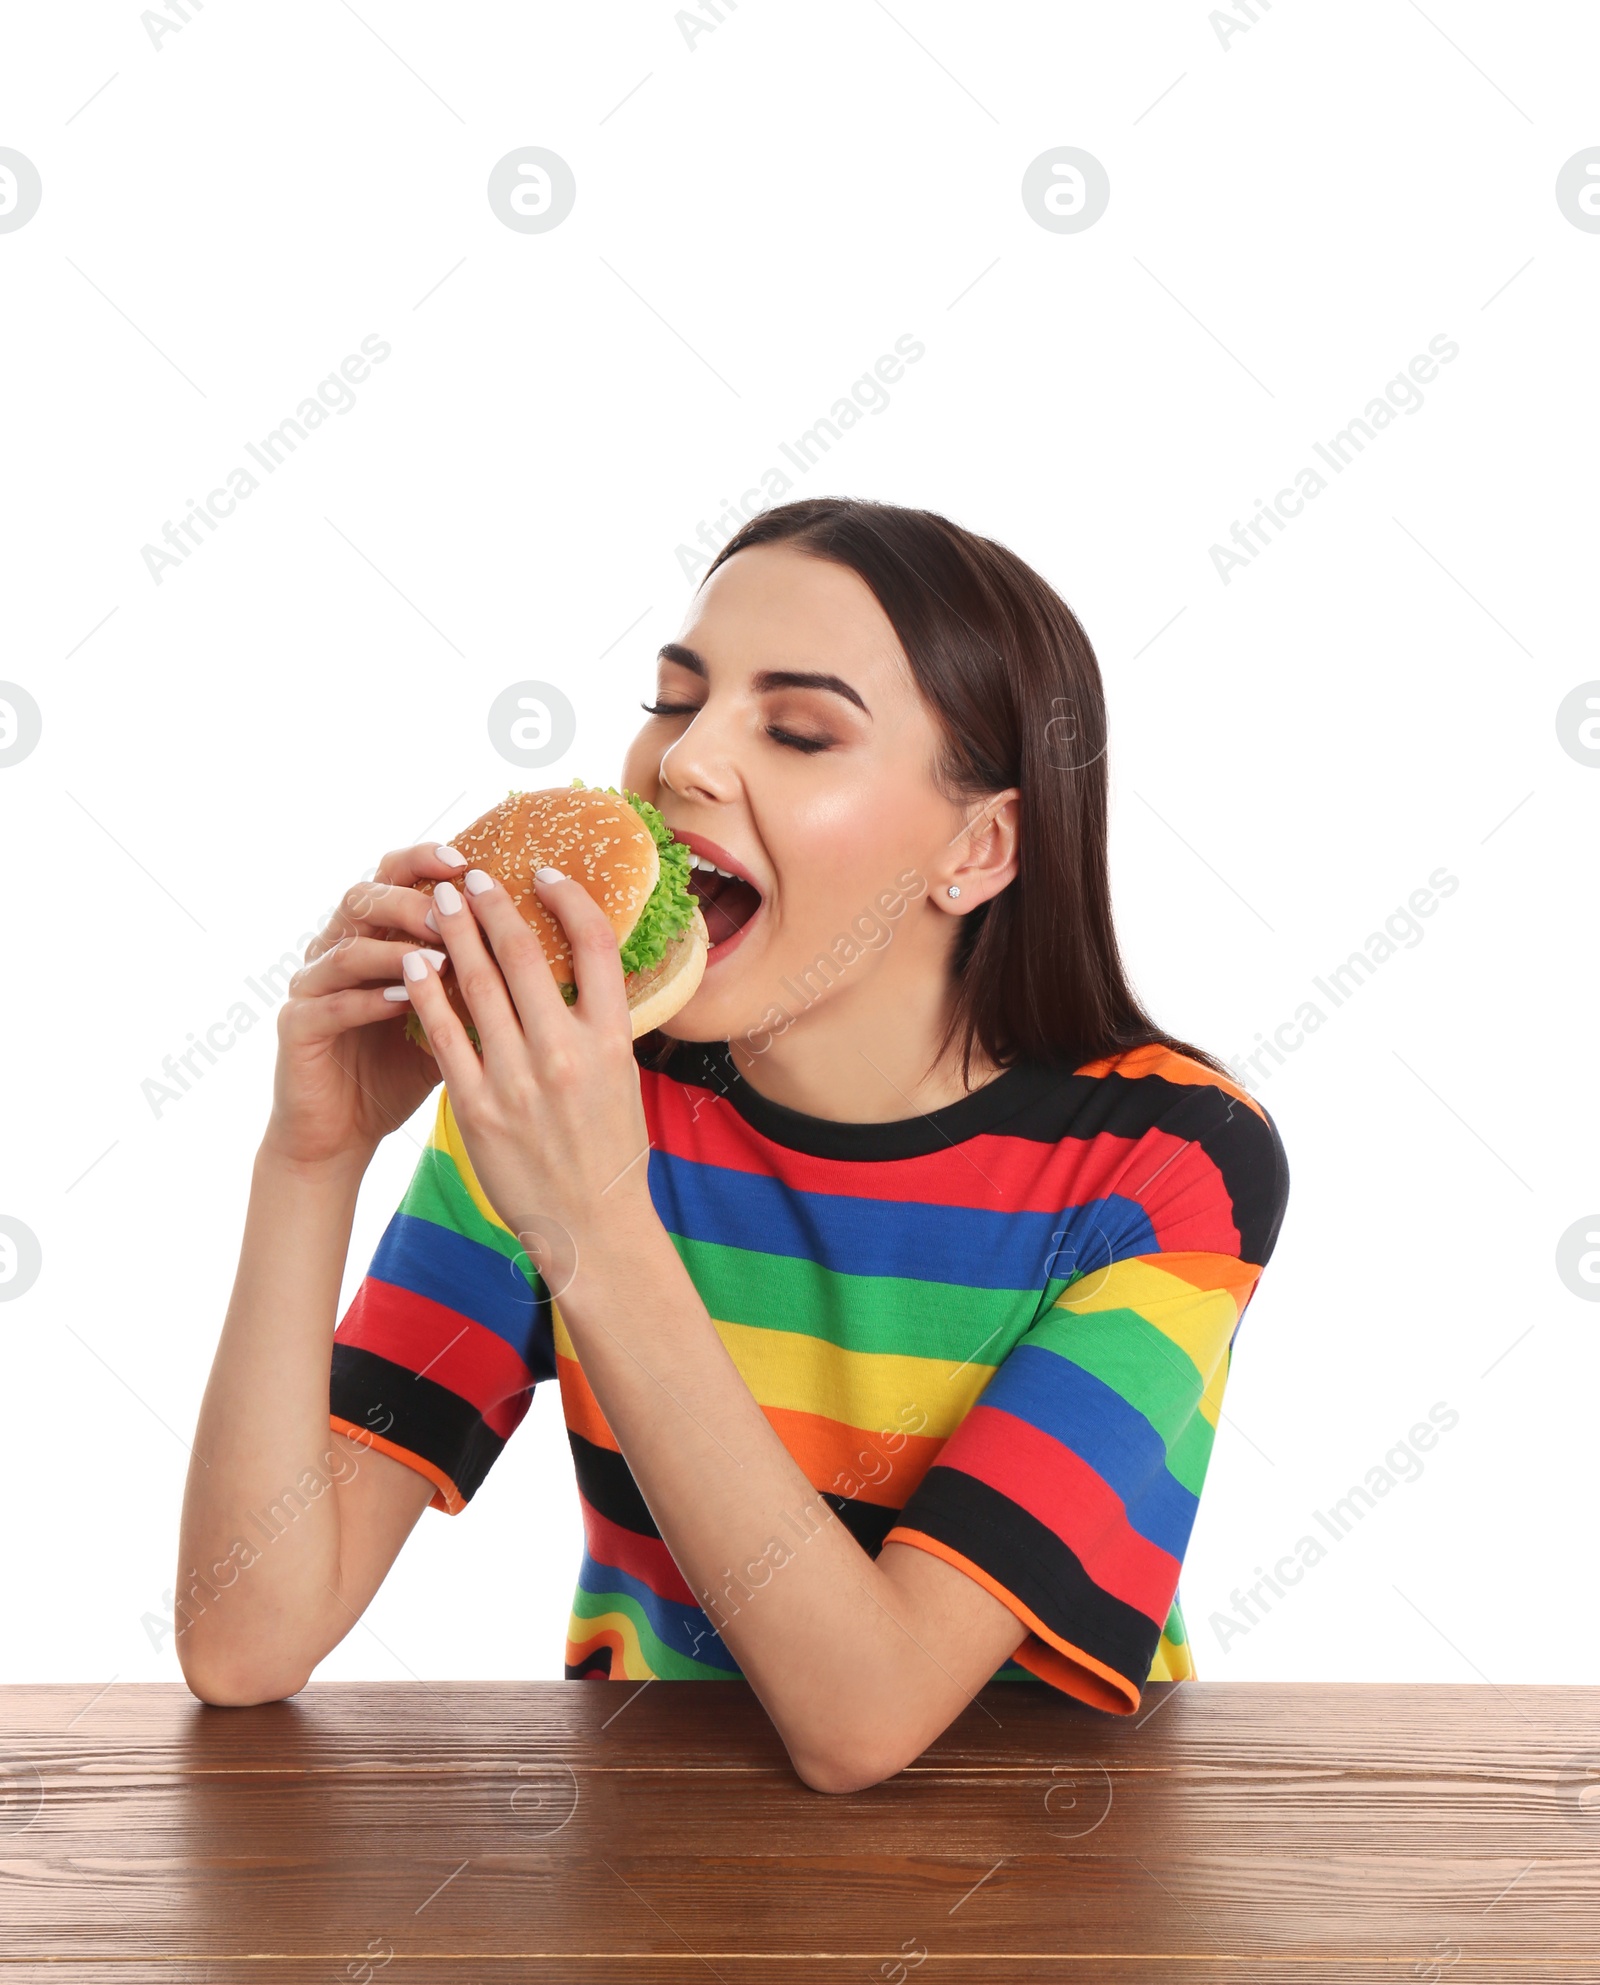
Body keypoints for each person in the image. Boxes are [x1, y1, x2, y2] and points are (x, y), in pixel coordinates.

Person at [175, 496, 1290, 1794]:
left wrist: (592, 1217)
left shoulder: (1170, 1162)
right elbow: (246, 1638)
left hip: (1051, 1865)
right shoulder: (565, 1100)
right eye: (675, 698)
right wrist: (314, 1155)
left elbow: (863, 1719)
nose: (687, 760)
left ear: (979, 848)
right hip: (646, 1863)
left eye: (800, 728)